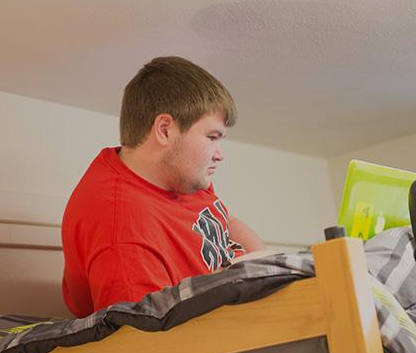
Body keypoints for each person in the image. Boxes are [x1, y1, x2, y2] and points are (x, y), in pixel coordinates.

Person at [61, 56, 264, 318]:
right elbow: (147, 344)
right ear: (165, 129)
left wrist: (262, 261)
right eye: (212, 137)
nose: (219, 154)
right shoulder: (121, 228)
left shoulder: (178, 174)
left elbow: (224, 221)